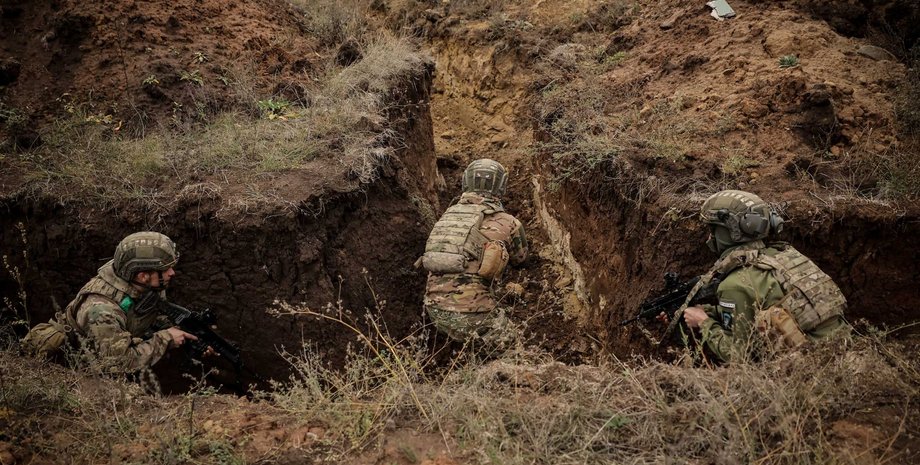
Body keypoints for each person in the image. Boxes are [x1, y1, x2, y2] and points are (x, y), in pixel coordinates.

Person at [677, 190, 850, 362]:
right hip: (847, 353)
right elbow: (769, 308)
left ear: (730, 231)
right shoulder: (786, 255)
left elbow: (740, 357)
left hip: (812, 370)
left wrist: (704, 322)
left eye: (713, 229)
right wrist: (711, 312)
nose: (710, 236)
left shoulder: (735, 284)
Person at [21, 231, 199, 372]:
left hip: (111, 343)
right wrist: (166, 339)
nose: (172, 273)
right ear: (142, 275)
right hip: (69, 366)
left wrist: (189, 336)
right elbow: (119, 363)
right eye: (165, 269)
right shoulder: (101, 310)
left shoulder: (143, 283)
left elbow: (147, 317)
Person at [419, 158, 528, 348]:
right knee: (513, 349)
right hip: (474, 315)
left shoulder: (448, 215)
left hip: (434, 312)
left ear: (466, 181)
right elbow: (520, 259)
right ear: (501, 186)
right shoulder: (508, 222)